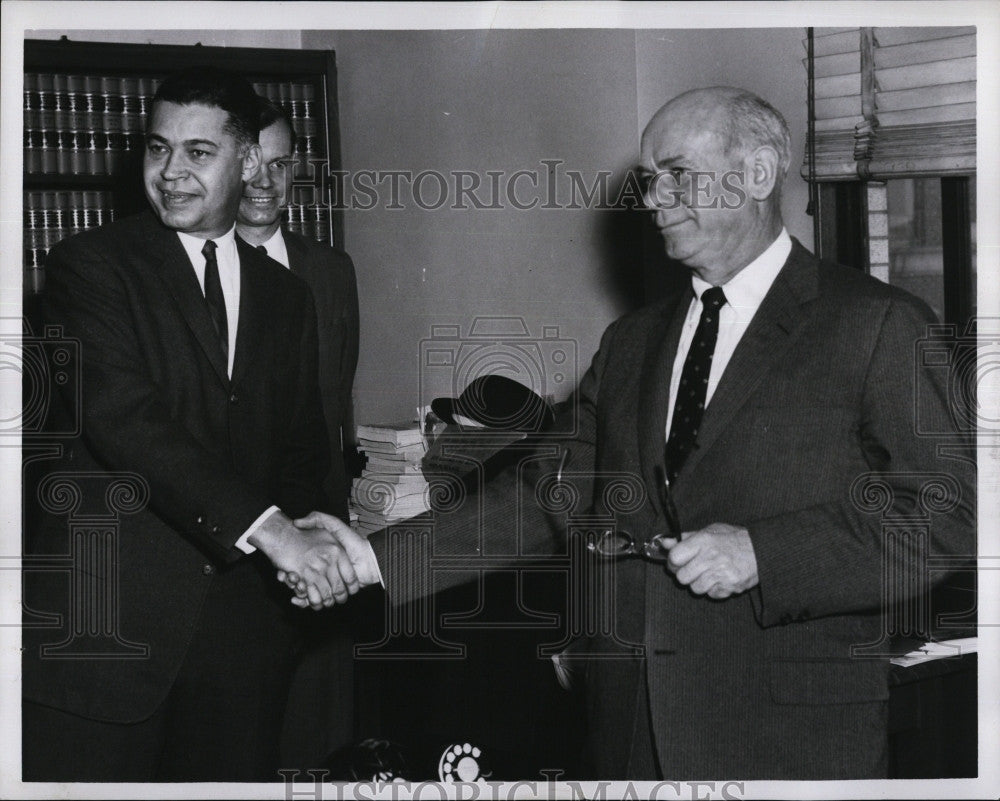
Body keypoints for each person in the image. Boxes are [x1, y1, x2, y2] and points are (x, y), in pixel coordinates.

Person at [290, 86, 976, 779]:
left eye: (678, 175)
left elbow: (951, 515)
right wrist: (374, 557)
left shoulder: (876, 323)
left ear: (760, 174)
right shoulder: (631, 342)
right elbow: (542, 494)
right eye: (650, 181)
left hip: (787, 734)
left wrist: (765, 553)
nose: (654, 200)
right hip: (627, 729)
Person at [22, 67, 362, 782]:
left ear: (245, 163)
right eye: (157, 148)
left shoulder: (288, 297)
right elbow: (128, 422)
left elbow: (302, 451)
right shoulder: (89, 266)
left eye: (197, 153)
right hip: (105, 639)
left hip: (241, 651)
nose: (169, 173)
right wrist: (277, 533)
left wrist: (317, 545)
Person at [235, 95, 361, 766]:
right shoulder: (191, 272)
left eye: (279, 163)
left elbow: (335, 403)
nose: (263, 181)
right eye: (249, 160)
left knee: (319, 731)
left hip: (322, 531)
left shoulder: (331, 271)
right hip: (231, 534)